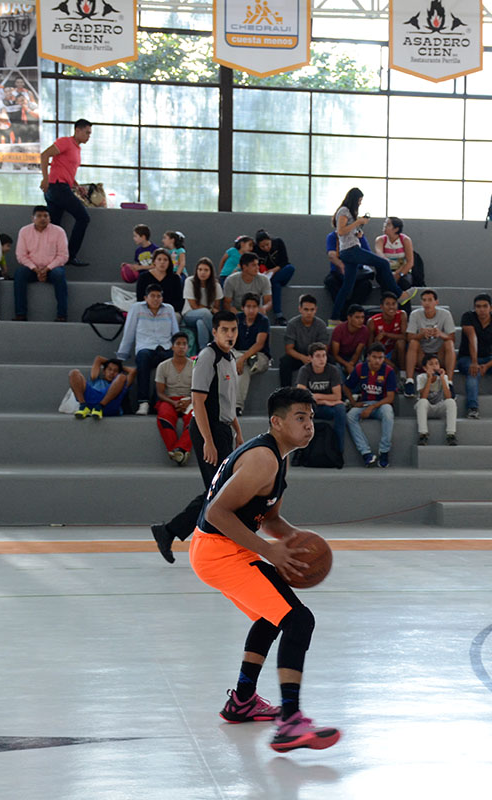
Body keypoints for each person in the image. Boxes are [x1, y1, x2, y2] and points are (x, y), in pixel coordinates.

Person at [184, 387, 340, 753]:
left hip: (223, 548)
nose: (309, 425)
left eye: (311, 418)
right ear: (277, 422)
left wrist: (294, 537)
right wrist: (269, 550)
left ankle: (242, 701)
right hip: (218, 550)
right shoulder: (263, 460)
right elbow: (216, 514)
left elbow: (267, 517)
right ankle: (290, 721)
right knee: (298, 620)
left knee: (272, 617)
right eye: (300, 418)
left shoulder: (277, 459)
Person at [151, 311, 247, 561]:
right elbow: (198, 401)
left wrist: (238, 432)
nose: (230, 334)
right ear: (214, 332)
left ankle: (169, 531)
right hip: (209, 429)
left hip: (224, 429)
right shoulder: (207, 357)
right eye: (224, 330)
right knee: (220, 493)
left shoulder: (230, 357)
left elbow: (227, 401)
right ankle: (211, 542)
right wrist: (207, 440)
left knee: (218, 492)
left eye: (234, 329)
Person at [329, 188, 400, 322]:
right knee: (383, 263)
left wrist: (358, 232)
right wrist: (358, 222)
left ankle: (334, 317)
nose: (360, 203)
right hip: (350, 250)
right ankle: (399, 293)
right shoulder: (344, 211)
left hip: (350, 249)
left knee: (346, 287)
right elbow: (341, 230)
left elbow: (348, 231)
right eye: (359, 200)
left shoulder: (349, 212)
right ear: (354, 199)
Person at [116, 284, 180, 414]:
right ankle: (143, 402)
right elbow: (129, 332)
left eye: (158, 296)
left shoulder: (169, 309)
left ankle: (158, 401)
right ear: (146, 297)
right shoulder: (137, 308)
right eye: (152, 296)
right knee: (143, 358)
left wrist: (179, 351)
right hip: (146, 347)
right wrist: (121, 357)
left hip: (165, 347)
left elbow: (175, 333)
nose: (156, 299)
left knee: (172, 361)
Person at [38, 118, 92, 266]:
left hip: (61, 187)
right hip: (57, 188)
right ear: (77, 130)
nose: (89, 136)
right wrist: (45, 179)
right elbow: (44, 155)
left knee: (54, 227)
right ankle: (70, 255)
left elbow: (65, 168)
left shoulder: (77, 148)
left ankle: (49, 260)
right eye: (87, 132)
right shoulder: (65, 142)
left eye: (90, 134)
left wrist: (76, 185)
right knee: (83, 218)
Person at [13, 205, 69, 322]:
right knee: (19, 274)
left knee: (59, 275)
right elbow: (21, 255)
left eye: (45, 216)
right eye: (39, 216)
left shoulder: (59, 232)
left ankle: (62, 315)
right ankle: (20, 314)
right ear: (32, 218)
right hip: (32, 269)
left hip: (52, 269)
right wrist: (35, 269)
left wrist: (47, 269)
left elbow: (63, 256)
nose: (42, 218)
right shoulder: (24, 231)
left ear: (50, 218)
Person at [345, 343, 397, 467]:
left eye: (381, 358)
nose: (377, 361)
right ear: (368, 357)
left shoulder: (388, 371)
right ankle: (366, 453)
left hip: (381, 404)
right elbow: (346, 386)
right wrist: (353, 403)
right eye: (375, 357)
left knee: (388, 412)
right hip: (365, 402)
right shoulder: (360, 368)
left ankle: (384, 451)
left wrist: (372, 407)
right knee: (350, 416)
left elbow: (390, 397)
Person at [295, 342, 347, 453]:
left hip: (325, 408)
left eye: (324, 356)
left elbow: (338, 396)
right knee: (298, 409)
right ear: (310, 358)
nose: (322, 359)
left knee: (340, 409)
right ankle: (299, 452)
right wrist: (323, 400)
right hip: (309, 407)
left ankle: (338, 451)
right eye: (318, 356)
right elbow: (300, 394)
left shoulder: (333, 370)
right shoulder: (305, 370)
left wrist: (318, 397)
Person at [404, 289, 457, 393]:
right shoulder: (415, 314)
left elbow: (453, 338)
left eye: (430, 300)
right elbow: (409, 337)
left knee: (449, 343)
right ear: (421, 302)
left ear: (436, 302)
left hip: (439, 356)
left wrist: (440, 334)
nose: (427, 303)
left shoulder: (445, 314)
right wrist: (421, 335)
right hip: (422, 356)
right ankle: (409, 381)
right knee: (413, 342)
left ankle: (449, 382)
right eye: (424, 300)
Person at [155, 332, 195, 465]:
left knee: (195, 417)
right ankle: (177, 451)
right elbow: (160, 393)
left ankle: (181, 449)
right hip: (169, 399)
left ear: (188, 347)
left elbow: (198, 389)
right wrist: (173, 402)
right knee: (164, 416)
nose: (181, 347)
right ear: (172, 347)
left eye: (184, 344)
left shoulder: (194, 366)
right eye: (178, 344)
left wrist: (189, 401)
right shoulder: (163, 366)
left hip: (189, 399)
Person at [280, 295, 331, 387]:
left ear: (316, 309)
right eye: (306, 309)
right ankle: (285, 393)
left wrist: (314, 358)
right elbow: (289, 349)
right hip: (298, 357)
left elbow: (324, 347)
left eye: (312, 310)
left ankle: (334, 393)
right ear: (300, 309)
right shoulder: (292, 324)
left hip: (316, 356)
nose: (309, 313)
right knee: (285, 362)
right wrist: (302, 357)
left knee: (331, 361)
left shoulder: (321, 325)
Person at [234, 293, 272, 414]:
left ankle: (237, 405)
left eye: (254, 306)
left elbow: (259, 344)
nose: (251, 310)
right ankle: (237, 407)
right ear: (242, 307)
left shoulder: (263, 321)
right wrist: (241, 358)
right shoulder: (236, 319)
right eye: (248, 306)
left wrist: (242, 359)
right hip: (239, 353)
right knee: (241, 363)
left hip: (259, 356)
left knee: (245, 364)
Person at [68, 356, 133, 419]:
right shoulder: (95, 379)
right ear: (104, 371)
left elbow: (133, 371)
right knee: (74, 373)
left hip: (109, 404)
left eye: (115, 371)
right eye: (109, 369)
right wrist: (110, 362)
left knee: (122, 377)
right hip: (91, 400)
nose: (112, 373)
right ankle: (83, 406)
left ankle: (99, 407)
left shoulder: (121, 383)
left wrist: (120, 366)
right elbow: (98, 359)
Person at [254, 229, 296, 324]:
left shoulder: (278, 242)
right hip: (266, 276)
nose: (266, 248)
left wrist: (273, 270)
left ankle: (271, 282)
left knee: (290, 268)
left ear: (270, 240)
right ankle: (279, 315)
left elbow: (285, 261)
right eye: (262, 246)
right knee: (275, 284)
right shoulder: (256, 250)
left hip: (279, 272)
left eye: (267, 244)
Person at [415, 353, 457, 446]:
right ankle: (423, 434)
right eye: (431, 364)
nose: (435, 366)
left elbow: (448, 396)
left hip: (439, 408)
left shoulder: (444, 377)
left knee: (451, 402)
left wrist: (442, 379)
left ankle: (451, 434)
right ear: (425, 368)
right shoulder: (421, 377)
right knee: (422, 402)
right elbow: (423, 397)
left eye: (436, 363)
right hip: (426, 409)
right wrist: (429, 379)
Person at [183, 257, 224, 351]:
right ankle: (218, 338)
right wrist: (210, 309)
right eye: (200, 269)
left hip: (206, 316)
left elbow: (217, 308)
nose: (202, 272)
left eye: (206, 270)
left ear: (211, 272)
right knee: (205, 312)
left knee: (201, 323)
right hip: (189, 314)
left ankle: (204, 350)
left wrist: (211, 310)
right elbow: (194, 306)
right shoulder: (190, 281)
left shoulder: (216, 285)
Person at [374, 216, 421, 295]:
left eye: (388, 224)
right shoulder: (380, 239)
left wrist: (398, 274)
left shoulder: (405, 240)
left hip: (402, 271)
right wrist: (386, 262)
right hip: (386, 271)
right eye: (385, 223)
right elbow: (379, 252)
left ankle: (403, 305)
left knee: (404, 283)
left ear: (396, 229)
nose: (385, 225)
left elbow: (410, 262)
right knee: (386, 282)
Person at [368, 291, 408, 379]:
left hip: (395, 352)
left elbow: (405, 337)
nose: (391, 307)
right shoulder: (373, 321)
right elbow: (369, 347)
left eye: (394, 304)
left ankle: (403, 374)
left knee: (401, 342)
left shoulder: (402, 315)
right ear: (381, 306)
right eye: (388, 304)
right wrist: (376, 341)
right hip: (380, 354)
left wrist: (386, 334)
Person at [330, 304, 371, 379]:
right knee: (337, 371)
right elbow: (335, 354)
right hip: (338, 359)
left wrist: (351, 364)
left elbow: (358, 352)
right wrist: (347, 365)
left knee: (362, 370)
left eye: (362, 317)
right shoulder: (339, 329)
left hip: (352, 358)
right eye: (357, 317)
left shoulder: (364, 330)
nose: (361, 321)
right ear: (349, 318)